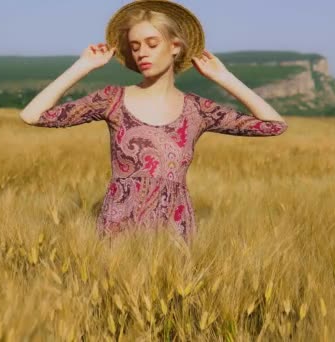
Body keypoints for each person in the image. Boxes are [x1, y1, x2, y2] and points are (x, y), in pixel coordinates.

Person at [20, 0, 288, 244]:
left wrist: (225, 78)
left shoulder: (198, 109)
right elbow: (32, 115)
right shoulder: (112, 99)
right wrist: (82, 66)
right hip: (118, 234)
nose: (141, 53)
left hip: (174, 235)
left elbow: (275, 126)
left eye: (151, 43)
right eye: (135, 47)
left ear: (175, 46)